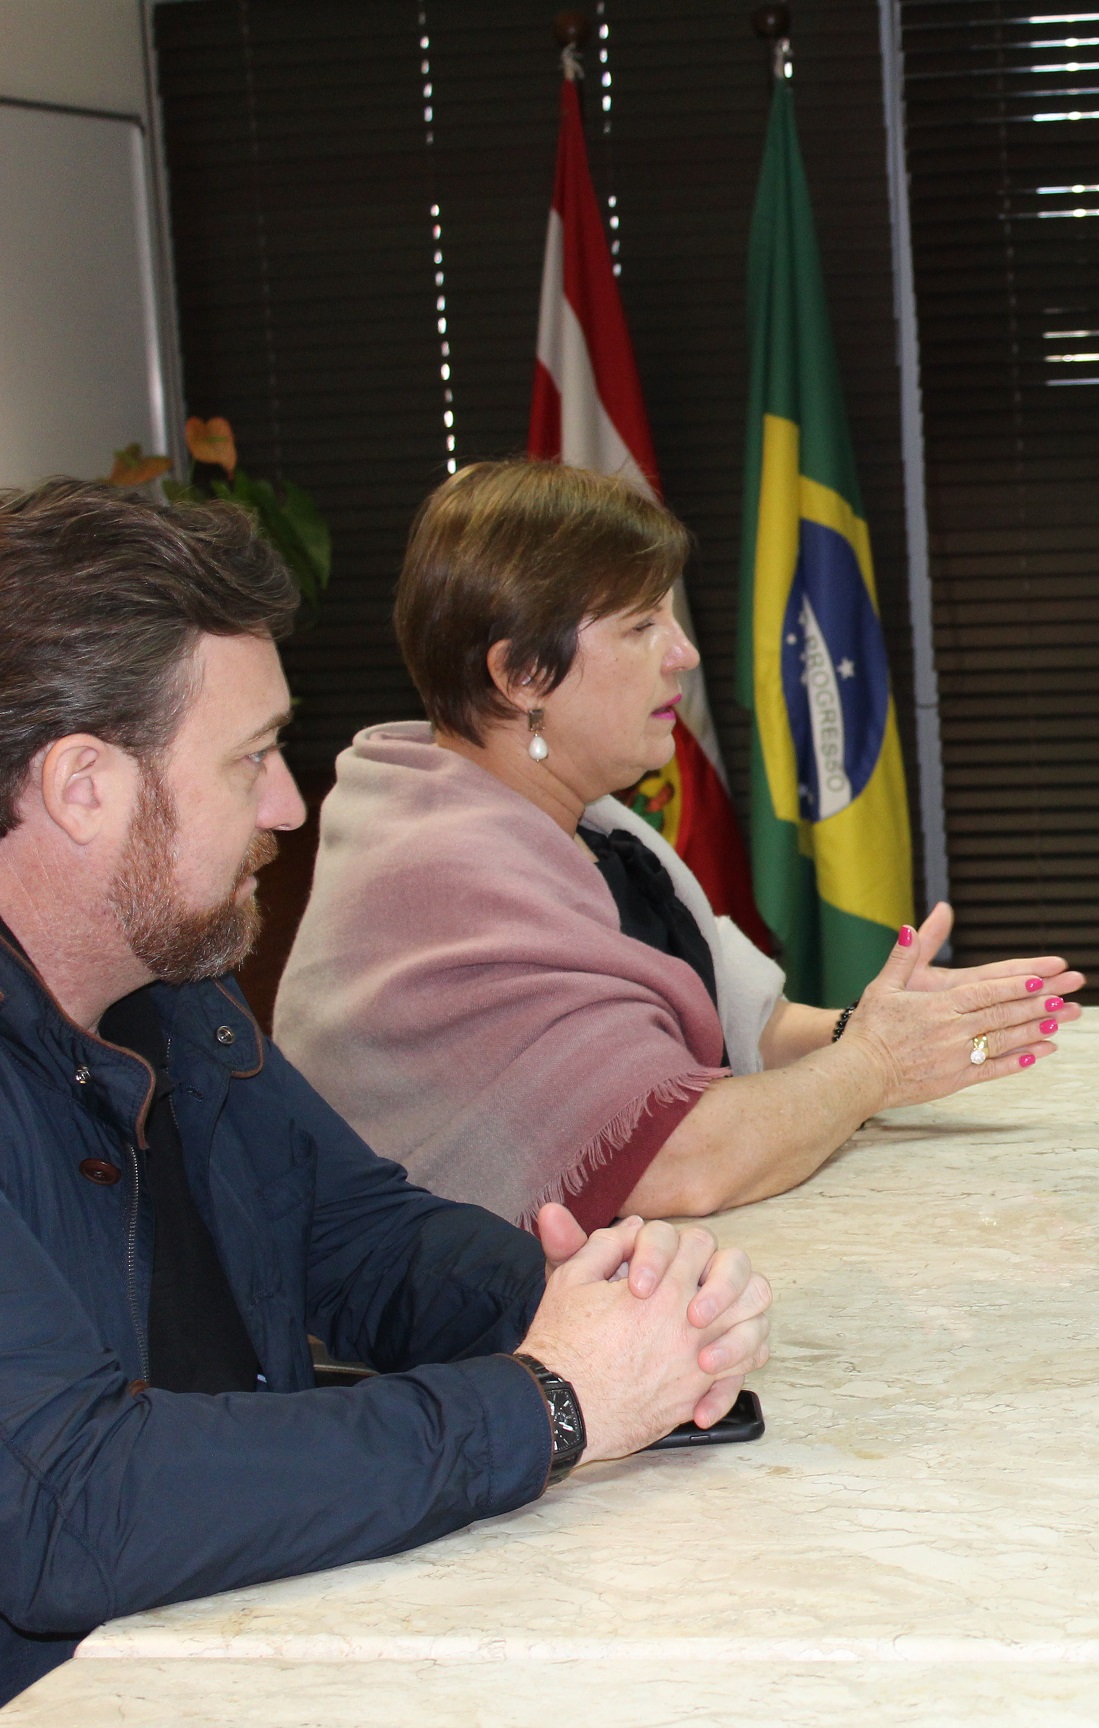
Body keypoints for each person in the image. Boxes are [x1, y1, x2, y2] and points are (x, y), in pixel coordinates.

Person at [0, 480, 775, 1704]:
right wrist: (549, 1404)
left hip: (239, 1646)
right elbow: (68, 1504)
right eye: (249, 759)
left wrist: (596, 1304)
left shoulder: (173, 998)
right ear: (83, 786)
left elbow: (357, 1239)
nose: (288, 806)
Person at [275, 462, 1081, 1227]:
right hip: (469, 1359)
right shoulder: (440, 879)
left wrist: (884, 1026)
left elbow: (748, 1028)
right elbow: (676, 1158)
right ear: (521, 674)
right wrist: (875, 1064)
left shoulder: (599, 830)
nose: (683, 653)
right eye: (641, 625)